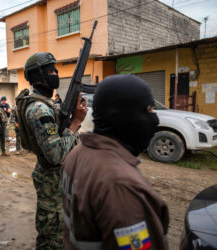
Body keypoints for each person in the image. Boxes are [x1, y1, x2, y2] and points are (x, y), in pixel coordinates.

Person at [62, 75, 169, 250]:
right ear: (121, 116)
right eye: (148, 110)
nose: (155, 119)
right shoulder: (120, 185)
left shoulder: (76, 154)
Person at [16, 52, 87, 249]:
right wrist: (76, 123)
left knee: (62, 236)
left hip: (59, 179)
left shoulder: (48, 104)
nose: (55, 73)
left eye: (55, 70)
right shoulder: (38, 109)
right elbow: (55, 154)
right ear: (37, 76)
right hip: (51, 180)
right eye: (50, 71)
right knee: (52, 240)